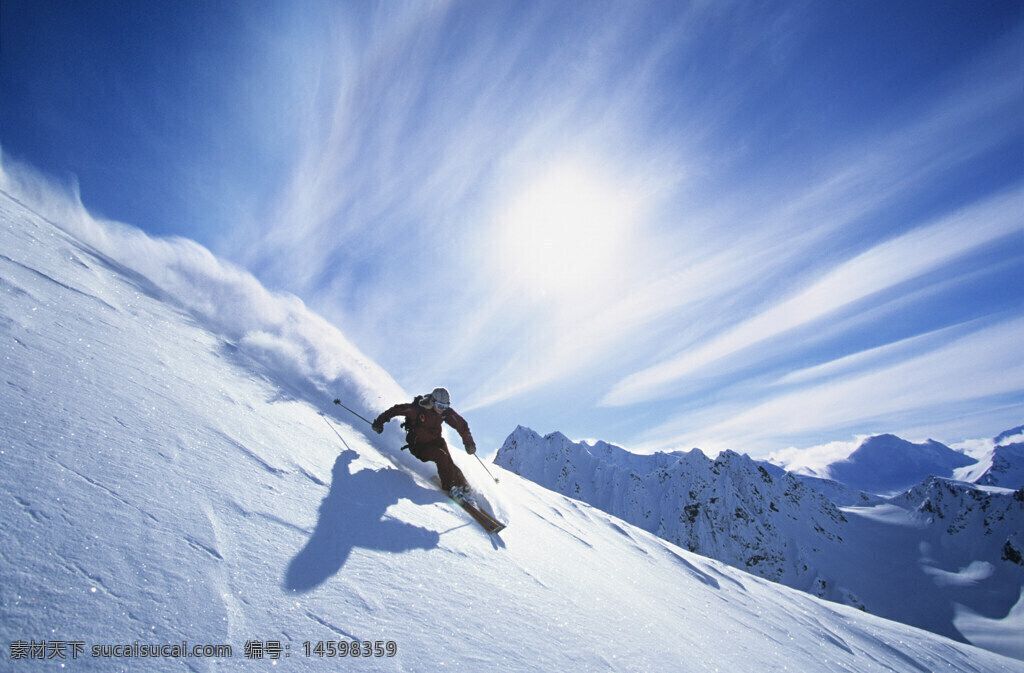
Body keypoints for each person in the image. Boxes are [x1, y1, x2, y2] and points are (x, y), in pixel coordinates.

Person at [372, 387, 477, 498]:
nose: (442, 409)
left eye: (445, 407)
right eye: (440, 406)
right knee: (441, 456)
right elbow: (396, 410)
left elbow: (461, 424)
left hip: (435, 442)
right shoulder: (416, 410)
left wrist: (469, 443)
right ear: (433, 402)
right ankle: (450, 487)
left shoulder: (444, 413)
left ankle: (465, 487)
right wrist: (379, 422)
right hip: (419, 446)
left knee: (448, 461)